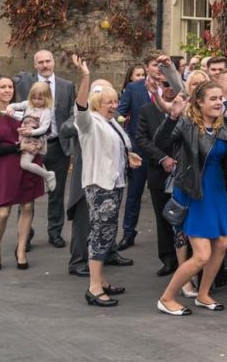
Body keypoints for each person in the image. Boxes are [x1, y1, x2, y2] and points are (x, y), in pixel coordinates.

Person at [154, 81, 227, 316]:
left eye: (220, 98)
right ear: (199, 102)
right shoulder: (187, 124)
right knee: (202, 254)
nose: (218, 103)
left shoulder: (225, 126)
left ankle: (203, 295)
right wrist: (172, 116)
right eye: (212, 98)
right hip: (194, 193)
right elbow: (160, 142)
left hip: (217, 193)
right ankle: (167, 297)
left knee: (222, 244)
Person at [0, 50, 76, 249]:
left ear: (53, 62)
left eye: (48, 61)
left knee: (57, 192)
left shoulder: (67, 86)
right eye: (40, 62)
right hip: (28, 147)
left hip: (56, 145)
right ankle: (25, 237)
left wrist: (66, 129)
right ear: (35, 65)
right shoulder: (25, 82)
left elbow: (72, 112)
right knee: (25, 194)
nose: (45, 65)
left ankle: (55, 233)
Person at [73, 57, 142, 307]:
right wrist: (85, 77)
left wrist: (129, 154)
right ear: (96, 102)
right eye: (108, 102)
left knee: (107, 232)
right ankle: (93, 287)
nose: (114, 105)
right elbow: (80, 107)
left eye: (115, 101)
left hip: (114, 184)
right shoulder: (88, 121)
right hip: (100, 185)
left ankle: (100, 280)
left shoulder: (110, 121)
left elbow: (118, 143)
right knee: (101, 234)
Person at [0, 76, 42, 272]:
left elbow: (39, 132)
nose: (7, 90)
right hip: (5, 166)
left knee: (27, 207)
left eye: (10, 87)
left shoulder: (24, 111)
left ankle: (21, 251)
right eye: (3, 87)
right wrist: (18, 147)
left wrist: (35, 141)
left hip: (28, 162)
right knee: (3, 212)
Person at [117, 53, 166, 251]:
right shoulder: (134, 88)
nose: (159, 69)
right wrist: (127, 141)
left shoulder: (169, 87)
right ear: (147, 67)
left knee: (163, 196)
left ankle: (167, 236)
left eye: (162, 65)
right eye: (155, 65)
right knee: (134, 194)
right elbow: (120, 114)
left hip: (163, 151)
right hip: (139, 150)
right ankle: (128, 233)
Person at [135, 79, 180, 278]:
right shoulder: (147, 110)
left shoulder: (187, 109)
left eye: (172, 84)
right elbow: (142, 138)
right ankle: (169, 259)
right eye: (165, 84)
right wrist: (162, 158)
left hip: (183, 172)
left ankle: (186, 260)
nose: (169, 88)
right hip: (159, 172)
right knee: (163, 217)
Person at [6, 83, 57, 193]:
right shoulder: (28, 104)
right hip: (23, 137)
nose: (36, 101)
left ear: (47, 98)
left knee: (24, 164)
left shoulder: (46, 111)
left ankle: (48, 175)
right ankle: (44, 178)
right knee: (23, 161)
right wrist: (9, 108)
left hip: (35, 140)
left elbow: (44, 128)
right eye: (34, 98)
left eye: (40, 99)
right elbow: (15, 105)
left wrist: (31, 132)